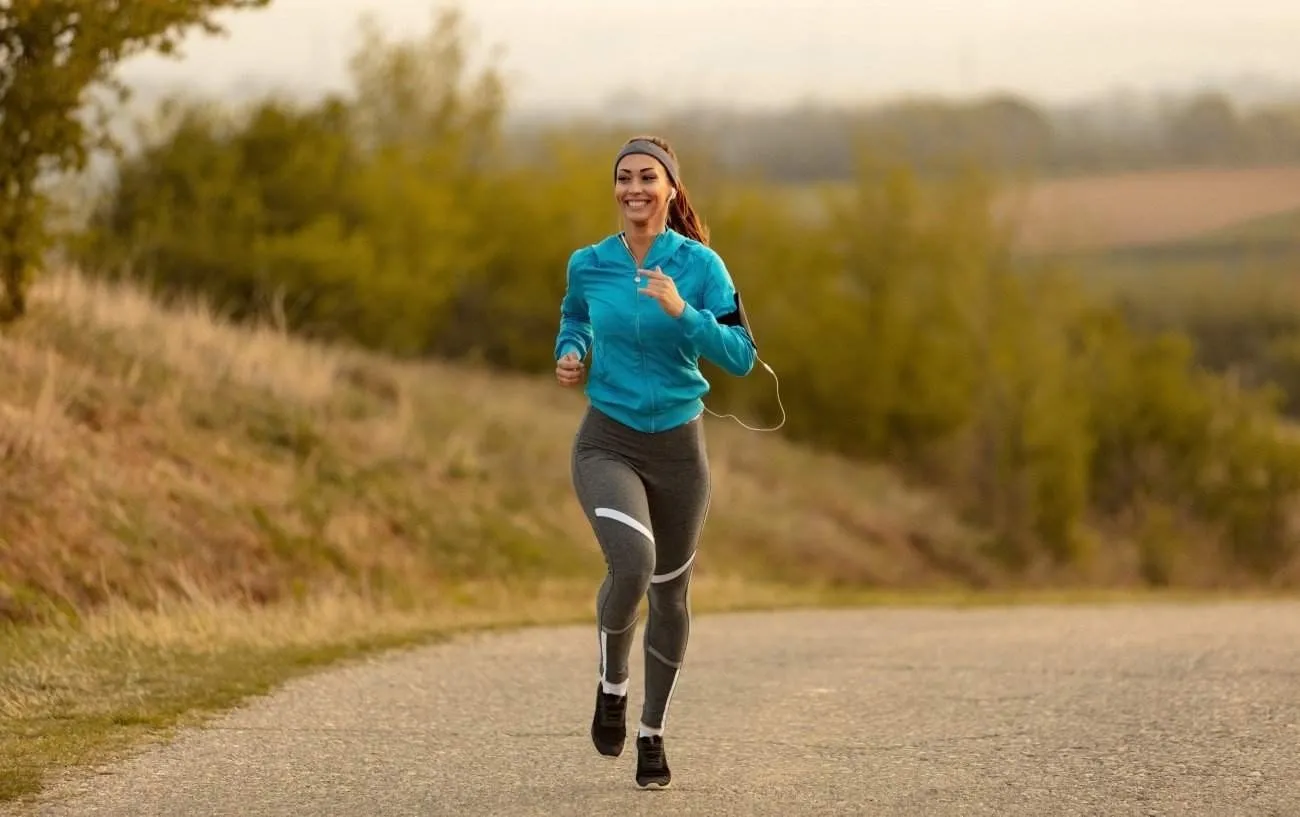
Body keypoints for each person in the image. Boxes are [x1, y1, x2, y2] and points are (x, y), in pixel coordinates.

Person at [553, 135, 758, 789]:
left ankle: (651, 732)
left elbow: (741, 354)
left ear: (671, 188)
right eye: (624, 178)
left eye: (647, 177)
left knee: (670, 595)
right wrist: (571, 349)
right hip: (607, 440)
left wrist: (683, 311)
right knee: (632, 562)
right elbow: (575, 317)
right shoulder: (589, 263)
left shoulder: (702, 266)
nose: (634, 188)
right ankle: (612, 681)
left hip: (679, 450)